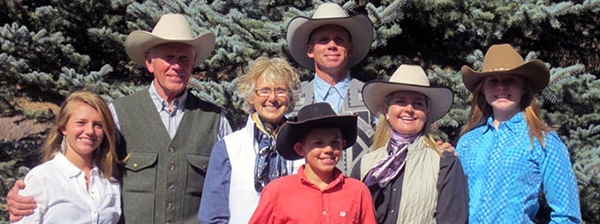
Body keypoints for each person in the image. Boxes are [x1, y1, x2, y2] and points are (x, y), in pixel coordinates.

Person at [7, 14, 232, 224]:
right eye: (168, 57)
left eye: (184, 58)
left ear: (193, 63)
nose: (176, 66)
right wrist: (30, 192)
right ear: (149, 63)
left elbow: (233, 182)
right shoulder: (117, 114)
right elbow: (79, 159)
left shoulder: (215, 120)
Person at [456, 44, 581, 223]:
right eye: (493, 81)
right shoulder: (468, 142)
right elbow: (456, 204)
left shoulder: (542, 141)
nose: (501, 87)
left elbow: (567, 215)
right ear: (483, 89)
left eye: (510, 80)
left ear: (523, 88)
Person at [351, 65, 469, 223]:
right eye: (400, 102)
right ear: (386, 110)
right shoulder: (366, 165)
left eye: (418, 103)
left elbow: (453, 220)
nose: (409, 109)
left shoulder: (444, 163)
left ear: (427, 113)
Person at [198, 57, 301, 223]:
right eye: (264, 90)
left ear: (290, 98)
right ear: (251, 97)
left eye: (280, 90)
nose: (272, 98)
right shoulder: (229, 148)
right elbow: (212, 216)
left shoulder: (302, 147)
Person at [286, 2, 376, 174]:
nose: (332, 45)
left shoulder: (372, 98)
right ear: (310, 50)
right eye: (324, 40)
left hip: (362, 198)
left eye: (339, 39)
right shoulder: (292, 102)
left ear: (350, 48)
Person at [249, 102, 376, 223]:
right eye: (318, 143)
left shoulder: (357, 191)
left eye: (334, 142)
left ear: (342, 145)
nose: (328, 149)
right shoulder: (277, 192)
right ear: (300, 149)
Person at [14, 91, 121, 223]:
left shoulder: (109, 181)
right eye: (81, 123)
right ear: (63, 127)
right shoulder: (42, 178)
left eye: (98, 125)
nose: (89, 131)